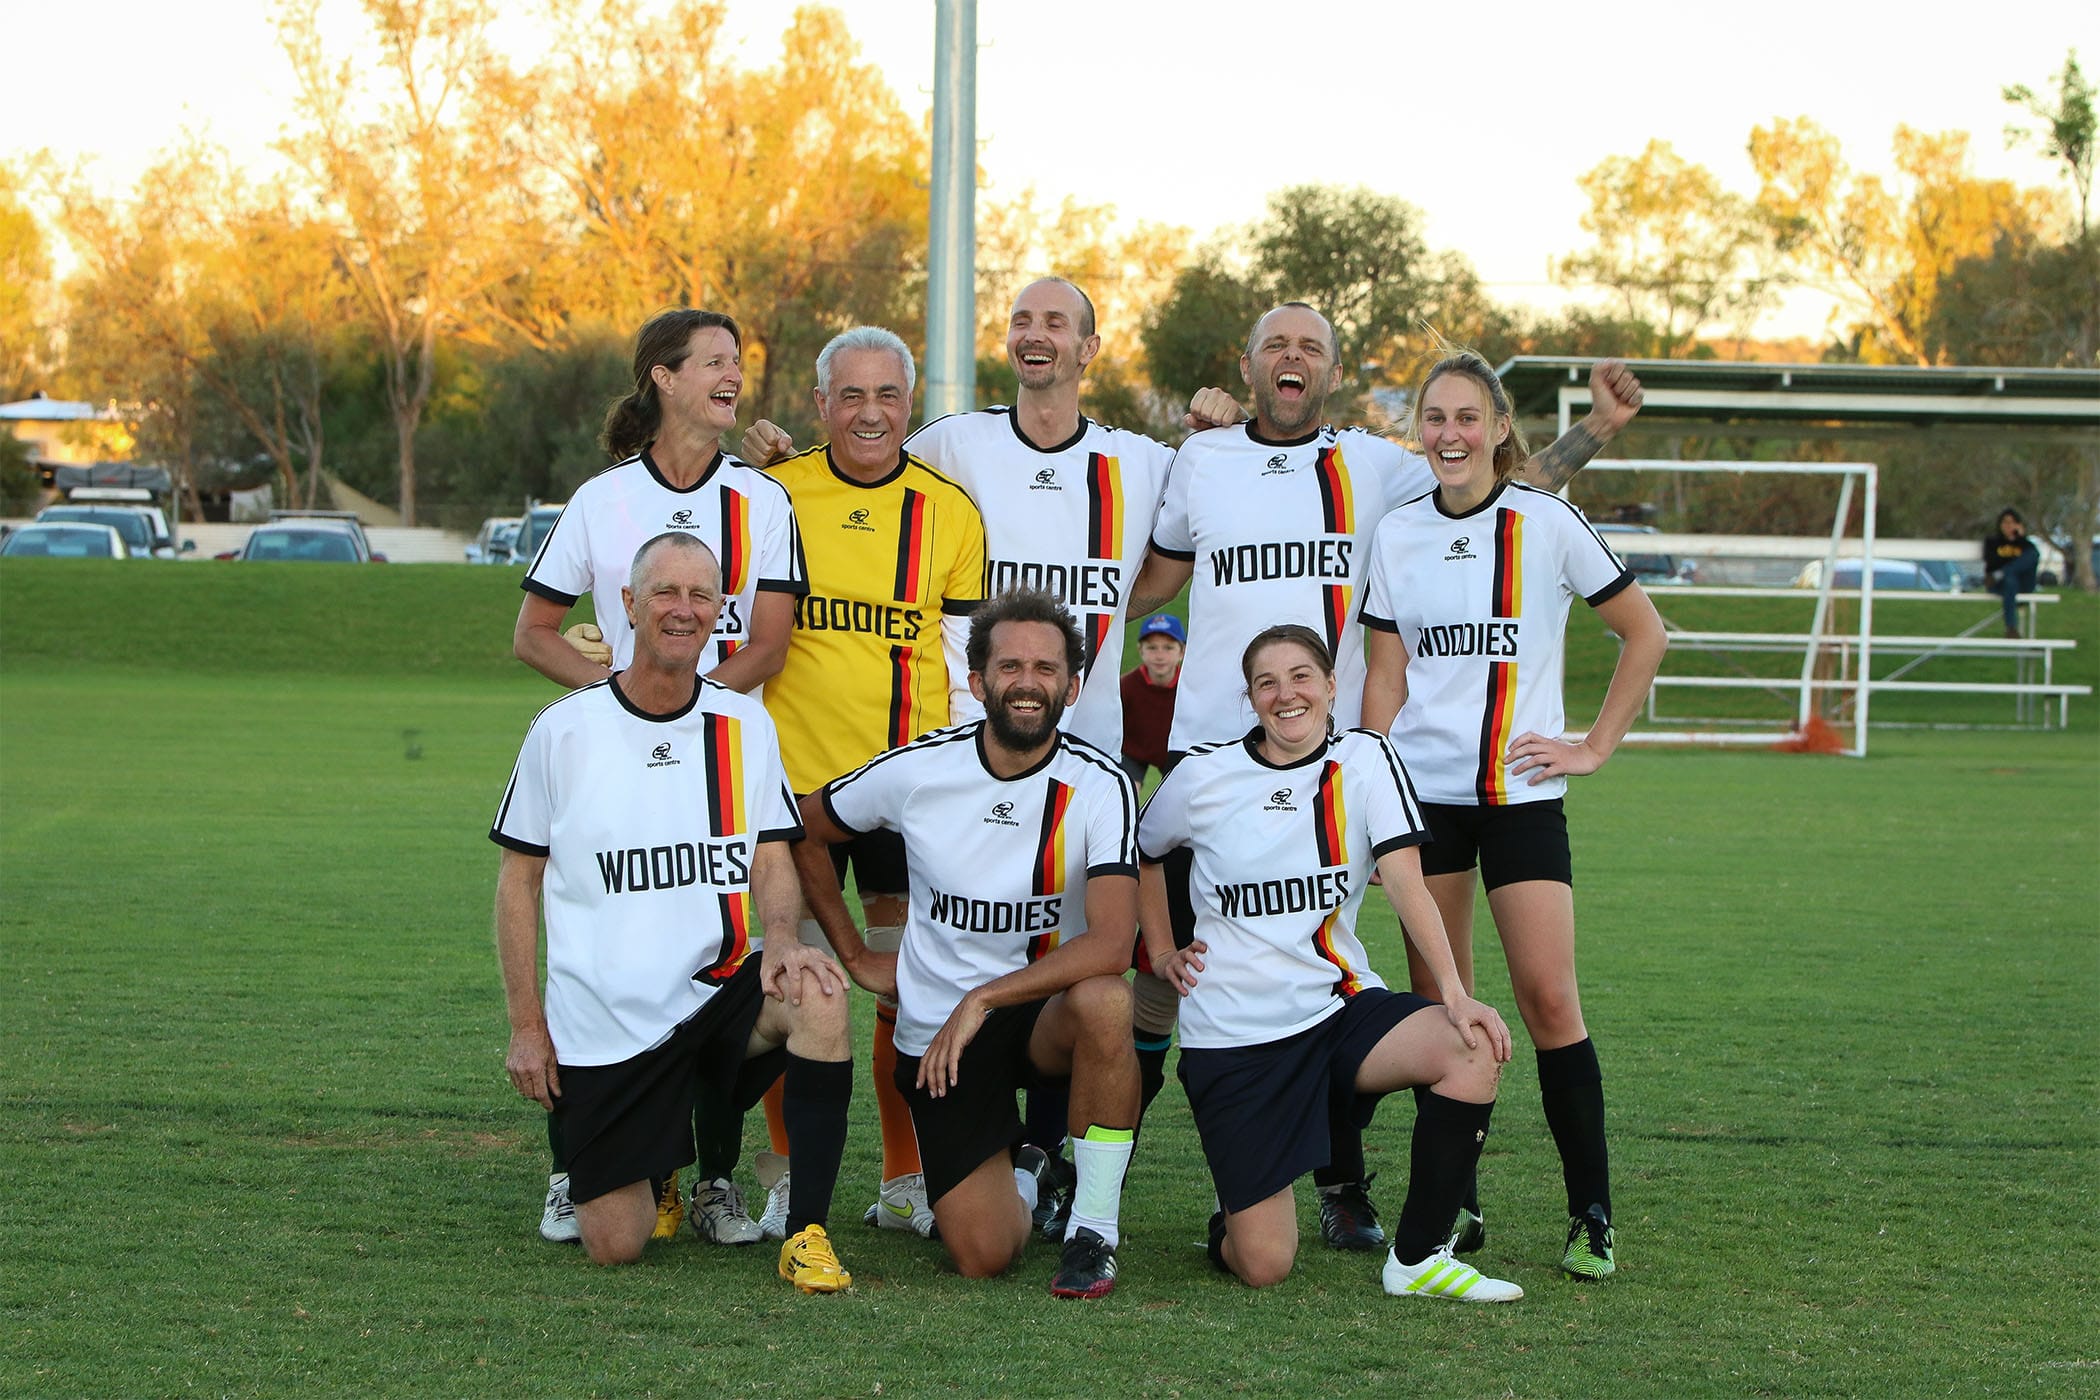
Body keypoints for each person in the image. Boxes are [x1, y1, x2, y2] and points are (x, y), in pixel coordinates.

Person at [1123, 303, 1646, 1250]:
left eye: (1311, 347)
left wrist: (1595, 430)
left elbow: (1497, 483)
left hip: (1340, 769)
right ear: (1247, 368)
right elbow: (1151, 578)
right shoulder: (1200, 460)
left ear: (1330, 371)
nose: (1293, 359)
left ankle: (1347, 1186)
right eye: (1275, 345)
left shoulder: (1377, 466)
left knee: (1333, 977)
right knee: (1176, 981)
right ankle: (1090, 1180)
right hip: (1218, 761)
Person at [746, 276, 1176, 1231]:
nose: (1037, 336)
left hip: (1025, 768)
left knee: (1029, 976)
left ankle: (999, 1171)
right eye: (1022, 320)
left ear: (1089, 349)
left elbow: (1179, 547)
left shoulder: (1138, 462)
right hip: (851, 777)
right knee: (814, 972)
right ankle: (789, 1178)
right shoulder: (927, 454)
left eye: (1057, 323)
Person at [1359, 348, 1668, 1281]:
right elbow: (1384, 674)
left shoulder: (1546, 520)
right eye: (1435, 418)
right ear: (1422, 433)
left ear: (1499, 430)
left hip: (1523, 799)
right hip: (1429, 805)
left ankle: (1592, 1214)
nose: (1449, 434)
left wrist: (1592, 745)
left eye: (1467, 417)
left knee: (1546, 1001)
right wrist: (1378, 798)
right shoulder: (1399, 532)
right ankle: (1458, 1203)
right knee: (1441, 1010)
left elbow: (1644, 632)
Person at [491, 532, 855, 1290]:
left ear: (720, 611)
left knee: (817, 994)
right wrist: (528, 1025)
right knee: (615, 1244)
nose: (683, 610)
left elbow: (771, 853)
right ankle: (640, 1164)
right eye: (665, 592)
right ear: (628, 604)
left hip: (714, 994)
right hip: (608, 1024)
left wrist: (783, 936)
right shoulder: (565, 731)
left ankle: (806, 1231)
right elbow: (517, 884)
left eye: (700, 595)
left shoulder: (743, 725)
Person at [521, 308, 807, 1246]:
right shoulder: (600, 502)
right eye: (714, 362)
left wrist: (691, 718)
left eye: (739, 363)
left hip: (721, 767)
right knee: (612, 940)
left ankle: (715, 1172)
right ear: (663, 378)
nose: (734, 376)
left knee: (721, 964)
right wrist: (620, 703)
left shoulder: (762, 502)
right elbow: (531, 633)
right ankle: (588, 1156)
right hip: (623, 753)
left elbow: (767, 643)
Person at [1137, 624, 1521, 1300]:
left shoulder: (1368, 759)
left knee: (1471, 1045)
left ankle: (1419, 1260)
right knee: (1263, 1264)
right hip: (1235, 1040)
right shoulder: (1203, 775)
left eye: (1301, 676)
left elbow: (1405, 880)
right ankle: (1235, 1218)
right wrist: (1162, 948)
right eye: (1267, 683)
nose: (1287, 694)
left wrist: (1456, 993)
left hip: (1336, 1010)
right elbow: (1144, 851)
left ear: (1332, 685)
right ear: (1251, 700)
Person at [793, 589, 1142, 1299]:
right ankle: (1023, 1170)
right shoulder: (919, 769)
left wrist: (983, 997)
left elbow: (1111, 943)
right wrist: (854, 952)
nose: (1027, 681)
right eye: (1009, 665)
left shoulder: (1100, 785)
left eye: (1046, 668)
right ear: (977, 681)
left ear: (1072, 687)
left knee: (1107, 1002)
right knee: (983, 1254)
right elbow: (806, 826)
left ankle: (1092, 1232)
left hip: (1038, 1011)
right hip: (937, 1035)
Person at [753, 326, 987, 1244]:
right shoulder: (774, 495)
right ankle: (782, 1181)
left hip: (906, 797)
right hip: (791, 794)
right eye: (850, 395)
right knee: (788, 982)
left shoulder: (950, 512)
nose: (870, 413)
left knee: (904, 990)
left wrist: (961, 782)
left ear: (910, 403)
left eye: (887, 395)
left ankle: (902, 1179)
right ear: (821, 405)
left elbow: (964, 659)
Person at [1118, 613, 1184, 789]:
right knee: (1127, 789)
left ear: (1182, 652)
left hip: (1175, 749)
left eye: (1168, 648)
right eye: (1152, 648)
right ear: (1141, 650)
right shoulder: (1126, 685)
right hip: (1133, 750)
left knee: (1178, 795)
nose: (1160, 656)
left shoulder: (1189, 688)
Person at [1982, 508, 2041, 637]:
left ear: (2018, 525)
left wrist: (2019, 539)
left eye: (2012, 522)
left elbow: (2033, 559)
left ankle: (2001, 574)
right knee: (2010, 579)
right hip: (1999, 585)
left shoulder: (2025, 544)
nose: (2008, 526)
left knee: (2031, 555)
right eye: (2005, 522)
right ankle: (2011, 627)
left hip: (2021, 584)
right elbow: (1992, 562)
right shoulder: (1992, 543)